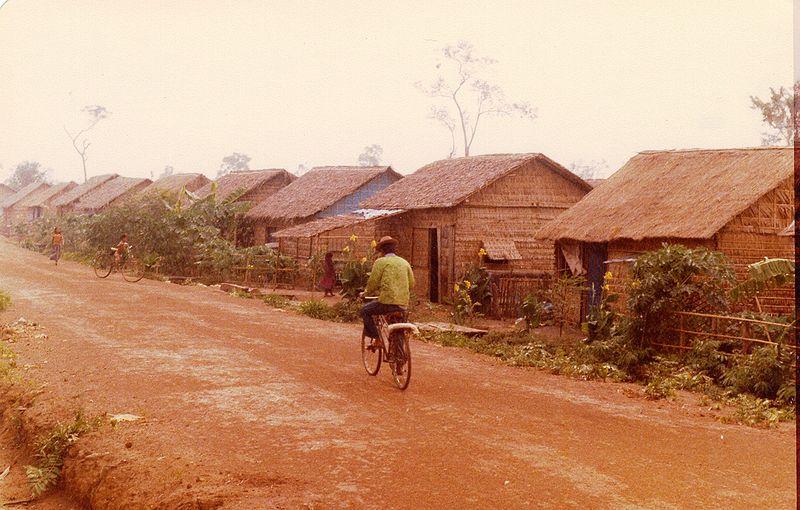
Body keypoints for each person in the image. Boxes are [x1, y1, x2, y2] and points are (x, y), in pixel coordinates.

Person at [359, 236, 415, 344]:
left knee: (364, 311)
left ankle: (377, 338)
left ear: (382, 250)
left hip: (387, 302)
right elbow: (411, 284)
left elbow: (373, 283)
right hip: (403, 303)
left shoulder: (380, 262)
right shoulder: (404, 262)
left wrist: (365, 293)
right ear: (394, 249)